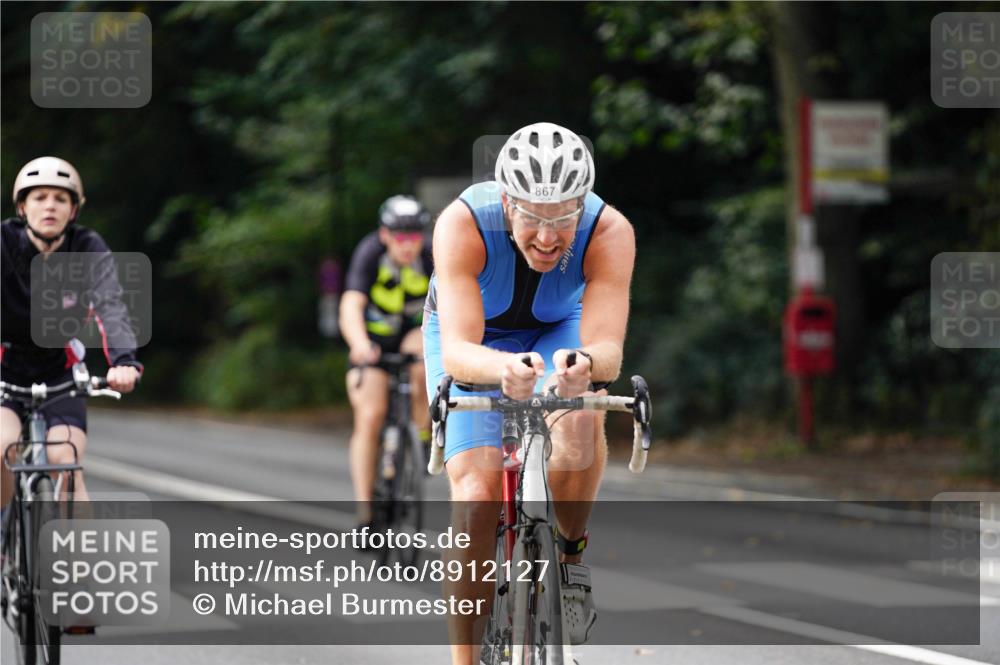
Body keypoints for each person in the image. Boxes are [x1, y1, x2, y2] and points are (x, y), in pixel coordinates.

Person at [423, 122, 636, 664]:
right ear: (507, 203)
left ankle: (568, 557)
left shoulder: (610, 230)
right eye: (536, 218)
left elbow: (607, 346)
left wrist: (583, 363)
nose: (548, 237)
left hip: (558, 328)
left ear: (583, 206)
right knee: (476, 496)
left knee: (584, 413)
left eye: (565, 217)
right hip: (476, 339)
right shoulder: (462, 223)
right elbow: (458, 350)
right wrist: (502, 370)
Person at [1, 156, 143, 511]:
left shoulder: (87, 248)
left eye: (61, 198)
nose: (50, 205)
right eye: (39, 197)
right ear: (22, 206)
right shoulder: (3, 243)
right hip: (4, 371)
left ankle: (74, 565)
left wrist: (124, 362)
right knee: (2, 449)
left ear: (74, 209)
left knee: (67, 461)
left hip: (60, 373)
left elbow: (110, 305)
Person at [340, 195, 433, 532]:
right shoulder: (369, 254)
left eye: (415, 236)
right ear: (385, 235)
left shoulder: (431, 255)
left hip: (412, 335)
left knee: (423, 364)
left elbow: (451, 304)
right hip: (373, 345)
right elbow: (351, 304)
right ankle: (366, 514)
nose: (408, 244)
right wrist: (359, 344)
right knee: (370, 415)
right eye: (400, 236)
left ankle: (420, 436)